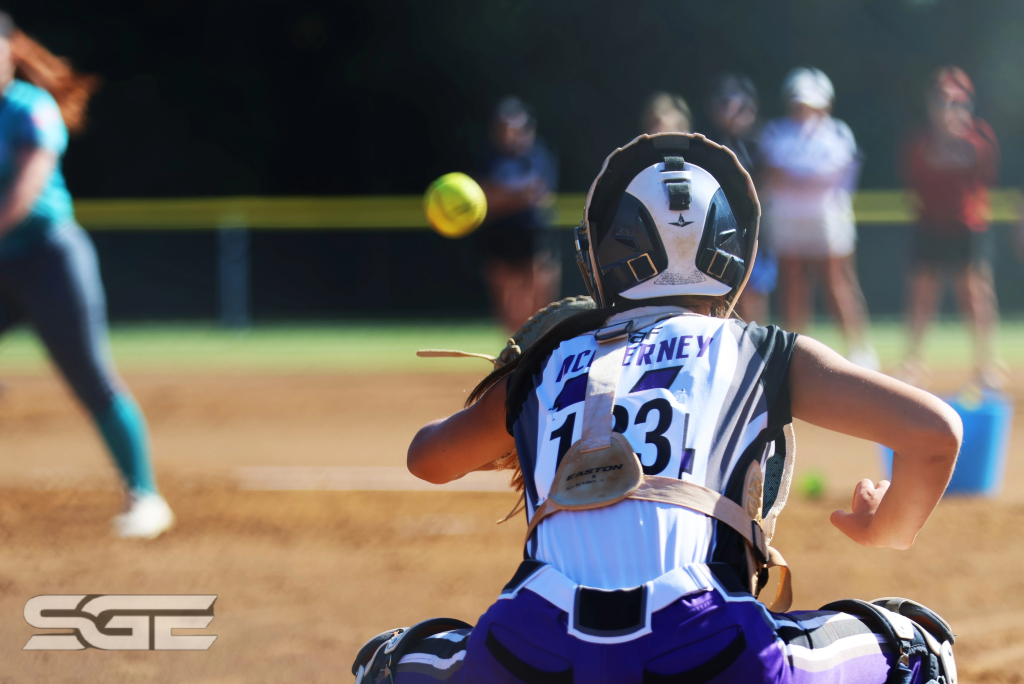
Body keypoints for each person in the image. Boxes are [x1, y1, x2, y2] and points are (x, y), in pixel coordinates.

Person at [352, 133, 962, 684]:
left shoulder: (546, 364)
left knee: (393, 661)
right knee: (917, 646)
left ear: (602, 255)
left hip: (530, 655)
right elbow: (936, 432)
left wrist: (517, 398)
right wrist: (884, 529)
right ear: (732, 255)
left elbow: (427, 458)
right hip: (708, 653)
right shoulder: (759, 349)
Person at [0, 14, 173, 538]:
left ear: (11, 52)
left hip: (48, 258)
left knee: (90, 377)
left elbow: (27, 187)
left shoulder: (30, 107)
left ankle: (145, 496)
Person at [760, 68, 878, 368]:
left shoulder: (837, 133)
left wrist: (794, 178)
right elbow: (773, 173)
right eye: (798, 103)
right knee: (793, 285)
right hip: (787, 219)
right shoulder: (775, 132)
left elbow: (832, 176)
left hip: (827, 219)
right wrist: (803, 179)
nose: (804, 111)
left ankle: (858, 349)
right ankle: (794, 353)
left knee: (837, 282)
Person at [900, 67, 1002, 389]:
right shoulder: (922, 142)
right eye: (942, 101)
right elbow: (914, 179)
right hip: (931, 225)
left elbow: (987, 175)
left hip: (967, 226)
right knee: (922, 294)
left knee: (975, 293)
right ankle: (913, 361)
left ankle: (985, 363)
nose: (949, 108)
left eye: (956, 101)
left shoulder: (978, 138)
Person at [478, 97, 560, 333]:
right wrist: (516, 198)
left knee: (539, 302)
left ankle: (534, 346)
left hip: (532, 235)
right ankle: (515, 348)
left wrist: (501, 196)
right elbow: (486, 198)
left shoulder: (538, 154)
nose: (509, 133)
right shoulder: (488, 157)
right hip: (499, 236)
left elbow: (539, 195)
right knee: (506, 305)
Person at [703, 73, 777, 324]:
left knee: (755, 291)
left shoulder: (762, 142)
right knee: (719, 290)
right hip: (718, 228)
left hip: (755, 228)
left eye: (740, 109)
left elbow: (769, 183)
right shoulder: (707, 142)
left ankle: (754, 339)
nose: (732, 115)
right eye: (725, 107)